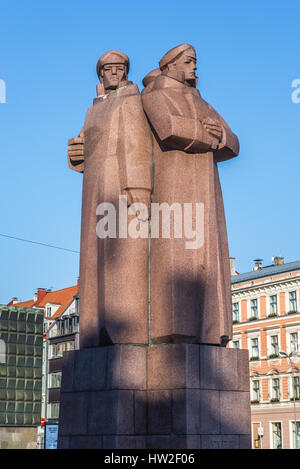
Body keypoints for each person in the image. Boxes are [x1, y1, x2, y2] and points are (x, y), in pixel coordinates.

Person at [142, 44, 239, 346]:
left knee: (208, 261)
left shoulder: (200, 100)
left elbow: (234, 143)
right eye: (189, 61)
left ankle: (210, 331)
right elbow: (169, 127)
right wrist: (207, 134)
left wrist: (221, 136)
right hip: (172, 186)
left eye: (195, 61)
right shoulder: (154, 95)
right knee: (178, 257)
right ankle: (175, 327)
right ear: (170, 65)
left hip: (208, 191)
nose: (195, 67)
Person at [68, 51, 153, 348]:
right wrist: (76, 154)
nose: (114, 73)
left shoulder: (131, 100)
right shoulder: (94, 109)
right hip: (93, 190)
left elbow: (139, 147)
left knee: (123, 259)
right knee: (93, 261)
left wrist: (139, 190)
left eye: (120, 68)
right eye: (108, 69)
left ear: (126, 72)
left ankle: (124, 331)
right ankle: (95, 329)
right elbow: (82, 146)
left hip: (121, 188)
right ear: (100, 74)